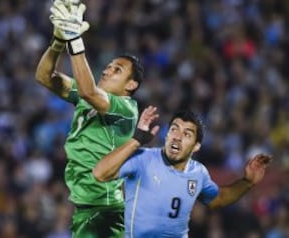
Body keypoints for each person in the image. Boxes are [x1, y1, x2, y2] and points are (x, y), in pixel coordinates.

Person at [35, 1, 144, 237]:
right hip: (88, 207)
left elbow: (88, 91)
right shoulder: (88, 99)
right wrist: (58, 42)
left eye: (117, 70)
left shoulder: (126, 109)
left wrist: (74, 40)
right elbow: (44, 76)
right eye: (107, 66)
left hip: (103, 207)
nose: (106, 71)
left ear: (131, 85)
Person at [93, 106, 273, 238]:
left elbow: (218, 199)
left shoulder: (198, 172)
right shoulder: (143, 158)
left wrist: (247, 182)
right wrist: (136, 140)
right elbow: (100, 173)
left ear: (196, 146)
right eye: (174, 129)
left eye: (186, 134)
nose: (177, 137)